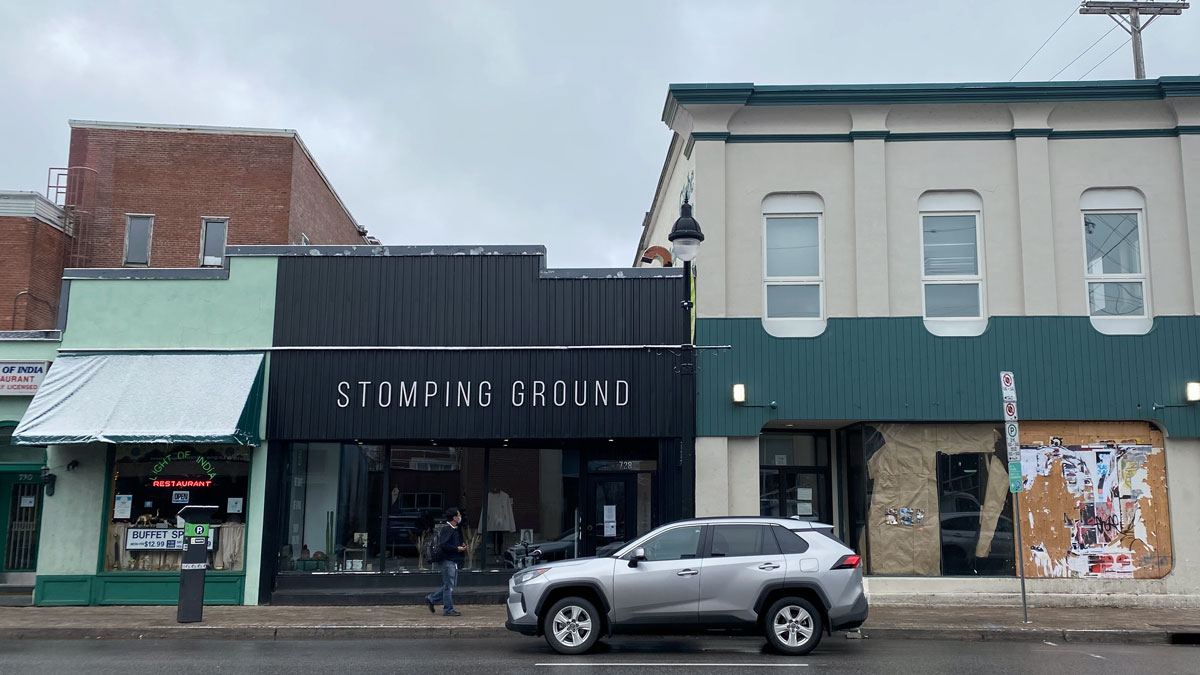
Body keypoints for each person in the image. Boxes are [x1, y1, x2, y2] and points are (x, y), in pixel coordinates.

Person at [425, 507, 466, 617]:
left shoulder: (454, 529)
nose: (460, 517)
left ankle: (432, 599)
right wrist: (457, 549)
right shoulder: (448, 529)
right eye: (458, 515)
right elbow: (444, 544)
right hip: (447, 560)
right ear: (454, 517)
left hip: (451, 560)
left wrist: (460, 547)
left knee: (449, 584)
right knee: (449, 586)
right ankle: (447, 609)